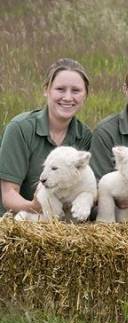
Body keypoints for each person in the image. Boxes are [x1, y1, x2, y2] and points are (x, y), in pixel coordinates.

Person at [0, 58, 92, 215]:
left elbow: (86, 185)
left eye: (76, 91)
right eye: (60, 89)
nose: (68, 98)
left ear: (85, 95)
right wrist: (35, 207)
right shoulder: (20, 129)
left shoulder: (84, 136)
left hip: (59, 222)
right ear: (46, 90)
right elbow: (8, 194)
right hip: (20, 219)